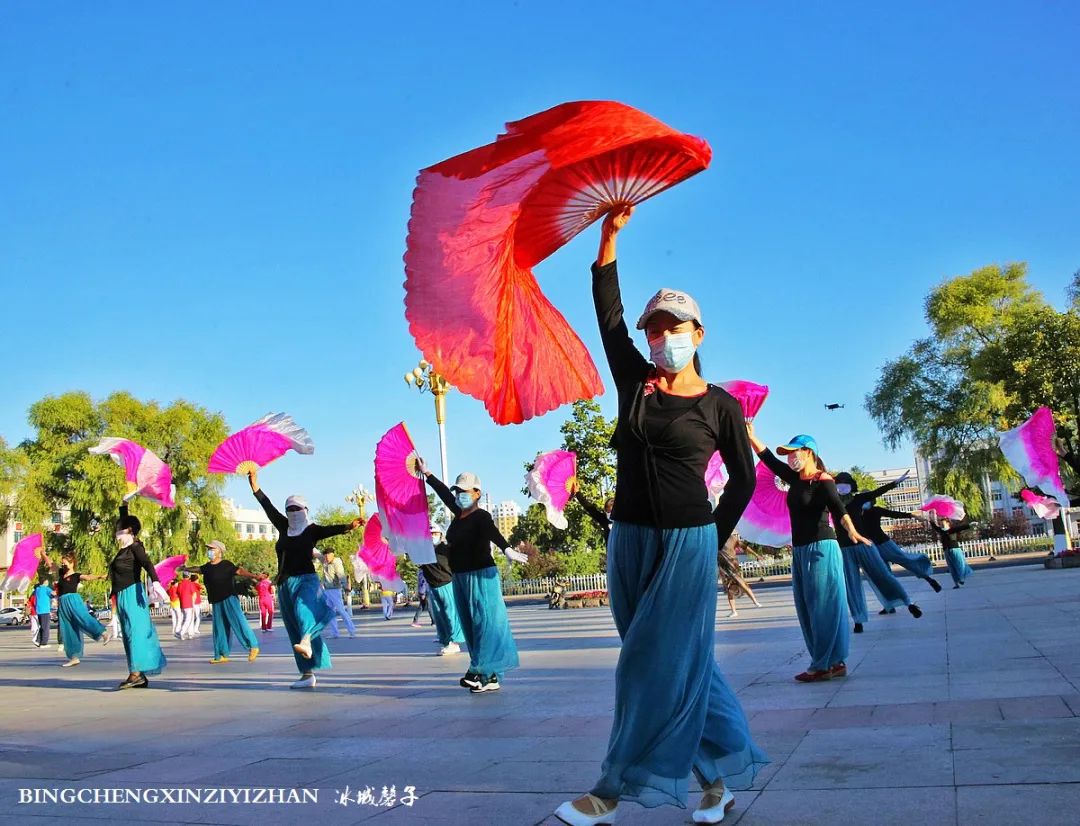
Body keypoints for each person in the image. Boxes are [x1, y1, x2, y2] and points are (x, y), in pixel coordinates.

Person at [555, 206, 766, 826]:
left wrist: (711, 538)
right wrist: (608, 239)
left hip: (687, 541)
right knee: (675, 659)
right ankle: (718, 780)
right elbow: (609, 318)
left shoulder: (721, 406)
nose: (662, 337)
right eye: (654, 330)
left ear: (698, 334)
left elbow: (744, 478)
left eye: (673, 327)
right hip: (629, 538)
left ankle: (610, 790)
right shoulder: (635, 384)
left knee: (647, 661)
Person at [746, 425, 873, 684]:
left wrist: (852, 531)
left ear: (809, 452)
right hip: (801, 549)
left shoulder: (823, 480)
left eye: (794, 452)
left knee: (822, 606)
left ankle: (823, 665)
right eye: (788, 454)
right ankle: (833, 662)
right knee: (806, 606)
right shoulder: (795, 479)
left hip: (821, 548)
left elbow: (838, 509)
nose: (790, 458)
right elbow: (768, 458)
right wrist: (750, 436)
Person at [248, 469, 363, 690]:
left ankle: (307, 640)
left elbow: (331, 530)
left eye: (297, 508)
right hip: (285, 583)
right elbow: (267, 506)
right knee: (294, 627)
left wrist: (349, 526)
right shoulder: (283, 526)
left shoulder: (312, 530)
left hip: (307, 580)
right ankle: (307, 674)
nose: (293, 512)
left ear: (305, 510)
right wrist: (255, 486)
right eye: (289, 509)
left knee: (303, 611)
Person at [423, 466, 523, 694]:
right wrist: (427, 474)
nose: (460, 495)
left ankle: (477, 670)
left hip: (481, 576)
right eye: (458, 491)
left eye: (465, 491)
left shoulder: (481, 516)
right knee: (470, 626)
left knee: (484, 623)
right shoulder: (458, 515)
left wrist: (507, 549)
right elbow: (444, 493)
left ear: (477, 493)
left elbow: (493, 532)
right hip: (460, 577)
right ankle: (489, 677)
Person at [831, 472, 924, 633]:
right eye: (839, 482)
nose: (842, 485)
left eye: (845, 482)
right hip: (845, 548)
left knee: (883, 575)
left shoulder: (859, 499)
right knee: (851, 585)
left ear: (851, 485)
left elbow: (877, 492)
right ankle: (858, 620)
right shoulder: (832, 502)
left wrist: (895, 482)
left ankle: (908, 603)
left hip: (864, 545)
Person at [109, 502, 169, 689]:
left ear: (128, 530)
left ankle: (135, 673)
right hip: (121, 594)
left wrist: (156, 583)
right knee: (128, 634)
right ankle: (138, 674)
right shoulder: (124, 548)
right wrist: (123, 506)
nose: (116, 532)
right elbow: (125, 521)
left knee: (136, 632)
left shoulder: (135, 546)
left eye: (119, 529)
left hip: (133, 593)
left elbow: (147, 564)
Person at [181, 540, 261, 664]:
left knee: (238, 622)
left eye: (212, 549)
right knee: (219, 628)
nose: (210, 551)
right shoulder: (207, 567)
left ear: (219, 551)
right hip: (216, 600)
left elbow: (240, 571)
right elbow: (198, 569)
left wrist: (254, 576)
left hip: (229, 597)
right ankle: (222, 654)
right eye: (209, 549)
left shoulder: (226, 564)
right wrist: (186, 568)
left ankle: (253, 646)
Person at [51, 551, 110, 667]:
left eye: (65, 564)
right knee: (68, 628)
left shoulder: (76, 575)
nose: (63, 566)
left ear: (72, 563)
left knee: (83, 618)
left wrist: (100, 576)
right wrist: (43, 554)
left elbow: (88, 577)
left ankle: (103, 633)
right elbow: (51, 564)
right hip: (62, 603)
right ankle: (74, 657)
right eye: (62, 564)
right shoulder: (61, 573)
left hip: (73, 600)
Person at [424, 525, 465, 655]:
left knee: (451, 613)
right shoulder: (424, 551)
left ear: (441, 535)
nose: (432, 536)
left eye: (435, 533)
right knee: (439, 616)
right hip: (433, 586)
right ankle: (445, 639)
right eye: (430, 534)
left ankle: (455, 642)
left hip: (447, 584)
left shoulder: (446, 549)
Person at [719, 533, 762, 618]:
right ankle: (734, 611)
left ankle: (755, 601)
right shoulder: (716, 539)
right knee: (729, 589)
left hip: (733, 566)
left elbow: (745, 547)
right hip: (724, 568)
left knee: (742, 584)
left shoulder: (732, 538)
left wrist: (756, 555)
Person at [318, 549, 356, 639]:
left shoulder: (337, 563)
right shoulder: (325, 562)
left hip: (335, 590)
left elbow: (341, 575)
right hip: (327, 590)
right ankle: (334, 633)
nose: (327, 557)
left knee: (341, 610)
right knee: (330, 612)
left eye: (328, 555)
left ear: (333, 555)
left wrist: (346, 586)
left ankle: (352, 631)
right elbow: (317, 555)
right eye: (325, 556)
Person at [931, 516, 975, 588]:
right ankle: (956, 584)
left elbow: (961, 528)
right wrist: (931, 520)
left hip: (955, 550)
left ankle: (961, 579)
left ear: (948, 523)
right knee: (951, 568)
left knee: (960, 565)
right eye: (941, 524)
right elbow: (935, 527)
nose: (941, 525)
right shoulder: (941, 531)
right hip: (946, 551)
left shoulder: (952, 530)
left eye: (943, 523)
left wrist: (970, 524)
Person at [32, 578, 52, 648]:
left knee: (42, 626)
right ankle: (43, 643)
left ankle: (38, 640)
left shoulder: (37, 589)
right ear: (45, 582)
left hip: (39, 610)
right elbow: (54, 594)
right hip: (45, 610)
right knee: (45, 627)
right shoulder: (46, 589)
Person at [177, 572, 197, 639]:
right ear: (188, 576)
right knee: (188, 620)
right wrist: (193, 603)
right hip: (189, 604)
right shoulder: (190, 584)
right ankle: (181, 632)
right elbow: (194, 594)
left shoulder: (180, 584)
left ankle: (190, 633)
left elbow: (178, 593)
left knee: (186, 619)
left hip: (182, 604)